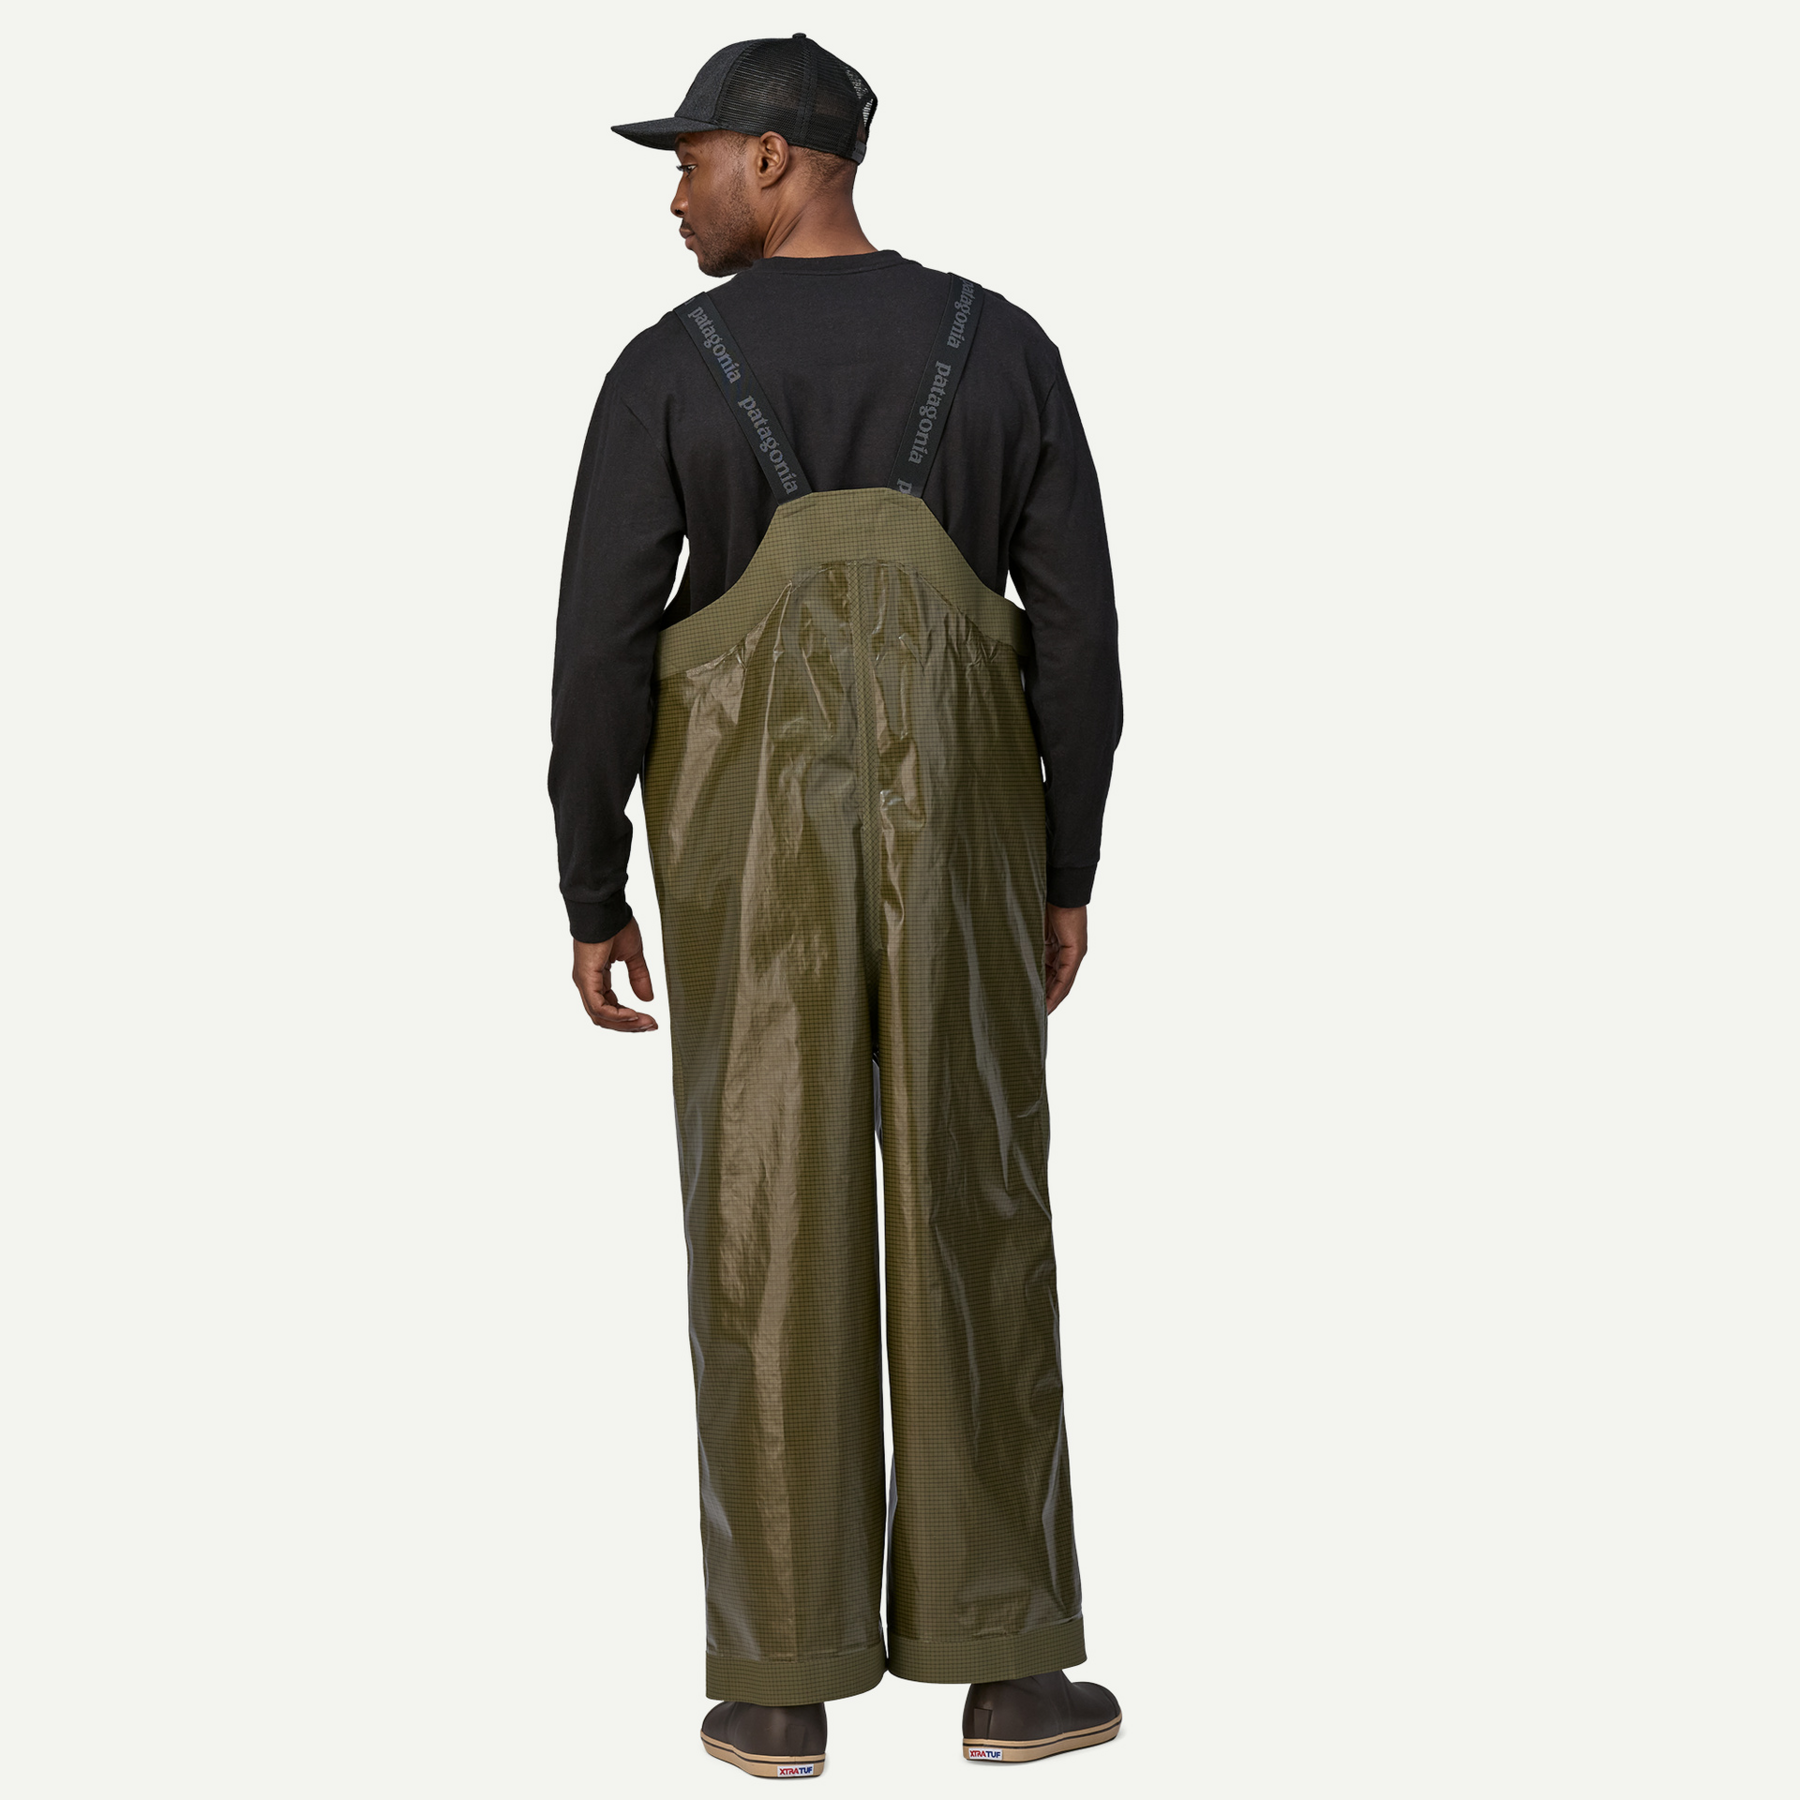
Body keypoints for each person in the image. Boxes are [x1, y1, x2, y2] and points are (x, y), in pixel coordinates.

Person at [549, 33, 1125, 1777]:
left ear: (778, 160)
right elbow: (1080, 640)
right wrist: (1064, 868)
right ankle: (1009, 1671)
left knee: (764, 1210)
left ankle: (779, 1682)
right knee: (978, 1207)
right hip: (971, 838)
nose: (676, 196)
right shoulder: (1002, 348)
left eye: (692, 161)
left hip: (746, 849)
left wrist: (592, 879)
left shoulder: (670, 369)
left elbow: (599, 644)